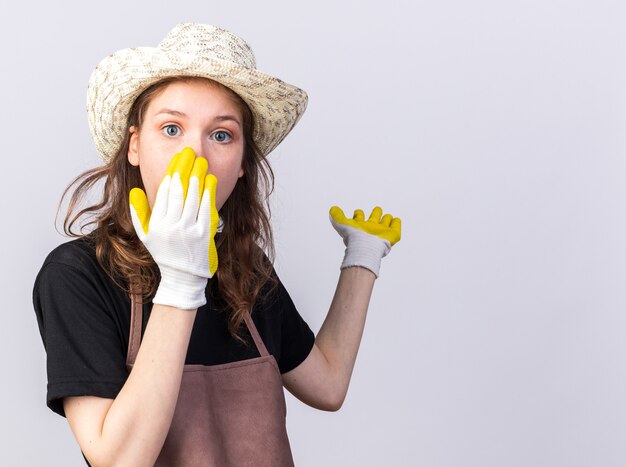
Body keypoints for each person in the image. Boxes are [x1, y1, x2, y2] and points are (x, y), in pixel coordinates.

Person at [33, 23, 401, 466]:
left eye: (221, 134)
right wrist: (181, 280)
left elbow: (327, 386)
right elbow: (117, 461)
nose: (196, 154)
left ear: (243, 163)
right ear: (134, 146)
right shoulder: (77, 273)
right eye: (171, 129)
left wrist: (362, 258)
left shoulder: (245, 269)